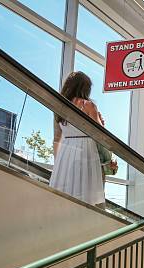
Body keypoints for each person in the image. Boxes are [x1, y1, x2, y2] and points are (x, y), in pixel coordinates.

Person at [50, 71, 105, 207]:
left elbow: (56, 138)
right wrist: (102, 122)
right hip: (85, 149)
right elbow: (100, 133)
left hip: (66, 151)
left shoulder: (60, 106)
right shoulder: (88, 105)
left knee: (65, 192)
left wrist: (58, 164)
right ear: (84, 88)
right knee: (86, 192)